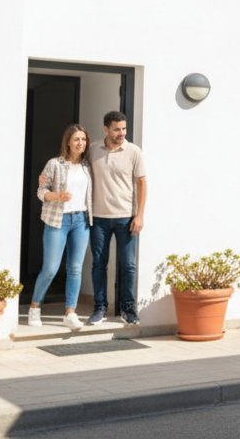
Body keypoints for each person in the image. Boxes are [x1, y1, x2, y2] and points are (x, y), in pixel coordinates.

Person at [27, 124, 93, 331]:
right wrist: (56, 196)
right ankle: (35, 307)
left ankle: (70, 313)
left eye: (83, 140)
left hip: (81, 221)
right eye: (76, 140)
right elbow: (41, 190)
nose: (80, 143)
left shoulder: (87, 167)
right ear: (68, 142)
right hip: (58, 220)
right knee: (50, 268)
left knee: (75, 268)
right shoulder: (54, 164)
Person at [87, 110, 147, 325]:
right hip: (99, 219)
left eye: (124, 129)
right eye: (117, 129)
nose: (121, 133)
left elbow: (142, 184)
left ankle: (128, 309)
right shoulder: (93, 150)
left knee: (128, 265)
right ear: (106, 129)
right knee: (98, 265)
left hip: (126, 218)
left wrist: (139, 215)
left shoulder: (133, 151)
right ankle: (100, 308)